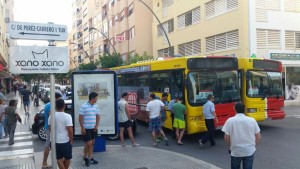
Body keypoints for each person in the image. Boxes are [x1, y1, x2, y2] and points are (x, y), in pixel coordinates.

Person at [222, 102, 261, 169]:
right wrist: (253, 146)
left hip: (235, 151)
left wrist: (230, 146)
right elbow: (258, 137)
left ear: (234, 109)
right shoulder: (252, 120)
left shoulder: (230, 121)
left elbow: (226, 137)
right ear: (245, 109)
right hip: (249, 150)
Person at [48, 99, 73, 169]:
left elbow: (50, 128)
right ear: (64, 106)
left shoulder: (51, 116)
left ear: (55, 107)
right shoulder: (68, 116)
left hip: (54, 141)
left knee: (58, 158)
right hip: (65, 141)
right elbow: (70, 130)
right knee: (68, 157)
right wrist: (71, 140)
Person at [79, 92, 100, 167]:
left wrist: (96, 126)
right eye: (96, 98)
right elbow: (80, 118)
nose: (97, 99)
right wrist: (82, 128)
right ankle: (85, 158)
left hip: (93, 128)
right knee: (88, 143)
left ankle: (90, 158)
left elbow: (98, 116)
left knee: (92, 143)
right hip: (86, 128)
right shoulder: (84, 106)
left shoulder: (96, 106)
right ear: (93, 98)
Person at [41, 93, 62, 169]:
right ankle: (44, 163)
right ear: (56, 98)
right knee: (48, 146)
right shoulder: (51, 105)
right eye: (59, 98)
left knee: (49, 146)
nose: (60, 100)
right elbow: (51, 116)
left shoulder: (47, 104)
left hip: (48, 127)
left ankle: (47, 163)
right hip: (51, 128)